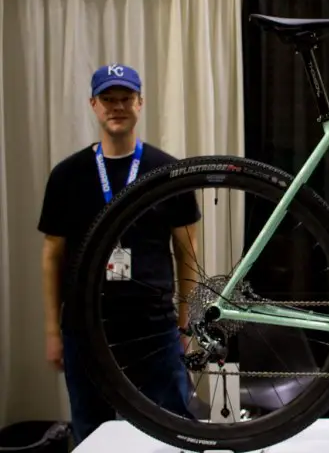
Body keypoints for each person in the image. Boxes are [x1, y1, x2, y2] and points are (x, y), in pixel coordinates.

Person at [38, 63, 201, 445]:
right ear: (93, 105)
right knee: (92, 433)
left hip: (155, 329)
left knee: (170, 431)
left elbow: (188, 252)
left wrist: (185, 324)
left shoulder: (167, 170)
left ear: (140, 103)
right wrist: (52, 330)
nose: (117, 107)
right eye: (108, 99)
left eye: (125, 98)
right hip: (86, 329)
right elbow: (52, 256)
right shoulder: (68, 174)